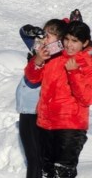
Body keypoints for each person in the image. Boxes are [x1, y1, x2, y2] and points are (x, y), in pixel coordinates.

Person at [24, 21, 92, 177]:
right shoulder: (54, 57)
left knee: (62, 172)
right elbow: (33, 79)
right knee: (46, 171)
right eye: (67, 39)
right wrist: (38, 60)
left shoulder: (87, 63)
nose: (69, 45)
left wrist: (73, 73)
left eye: (75, 41)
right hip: (45, 123)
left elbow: (86, 99)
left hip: (70, 127)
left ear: (85, 43)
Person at [16, 19, 67, 178]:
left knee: (37, 160)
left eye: (49, 37)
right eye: (43, 35)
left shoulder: (58, 59)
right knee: (36, 159)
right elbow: (23, 33)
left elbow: (34, 78)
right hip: (28, 110)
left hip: (39, 112)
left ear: (60, 42)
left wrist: (40, 59)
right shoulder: (40, 48)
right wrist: (31, 30)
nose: (44, 40)